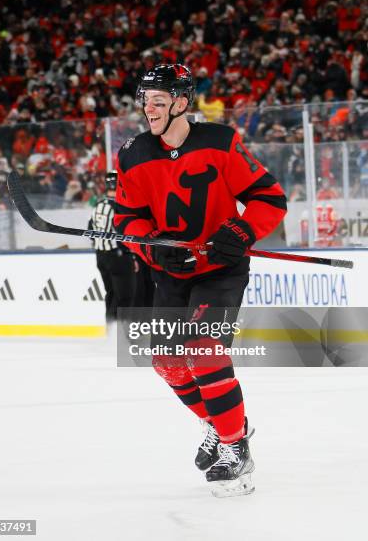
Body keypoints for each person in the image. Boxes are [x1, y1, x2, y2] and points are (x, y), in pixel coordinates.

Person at [114, 64, 287, 497]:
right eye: (145, 100)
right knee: (167, 362)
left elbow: (270, 198)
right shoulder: (133, 154)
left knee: (204, 353)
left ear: (181, 103)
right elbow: (128, 219)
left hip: (220, 270)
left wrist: (241, 231)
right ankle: (219, 422)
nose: (148, 109)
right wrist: (150, 246)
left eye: (158, 101)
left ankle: (235, 446)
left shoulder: (221, 142)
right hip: (172, 274)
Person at [88, 170, 136, 325]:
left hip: (100, 256)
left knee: (111, 294)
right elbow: (124, 233)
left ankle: (110, 332)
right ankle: (121, 335)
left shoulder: (98, 205)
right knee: (124, 297)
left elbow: (90, 230)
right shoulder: (119, 206)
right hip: (118, 256)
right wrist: (132, 255)